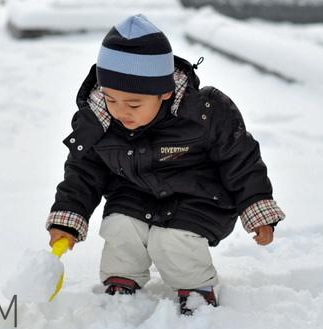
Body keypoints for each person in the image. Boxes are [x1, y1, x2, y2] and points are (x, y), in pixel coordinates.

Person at [46, 14, 285, 315]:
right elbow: (83, 173)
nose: (121, 112)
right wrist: (67, 219)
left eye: (133, 104)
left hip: (199, 198)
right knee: (120, 226)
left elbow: (240, 158)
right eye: (111, 99)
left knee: (170, 239)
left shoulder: (205, 114)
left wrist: (256, 209)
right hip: (134, 194)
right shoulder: (99, 121)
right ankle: (122, 280)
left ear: (165, 92)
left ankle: (197, 289)